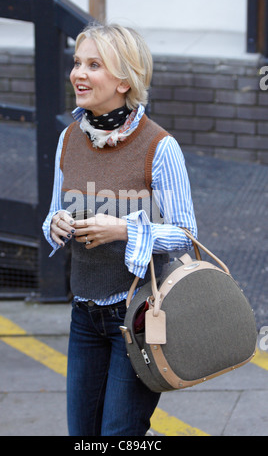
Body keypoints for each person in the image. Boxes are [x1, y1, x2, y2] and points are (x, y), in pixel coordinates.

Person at [42, 23, 197, 436]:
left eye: (94, 65)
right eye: (77, 63)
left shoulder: (160, 147)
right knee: (82, 435)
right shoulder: (68, 138)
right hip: (83, 316)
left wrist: (124, 230)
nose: (78, 73)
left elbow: (186, 234)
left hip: (140, 316)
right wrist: (55, 223)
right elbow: (55, 211)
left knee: (118, 435)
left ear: (125, 79)